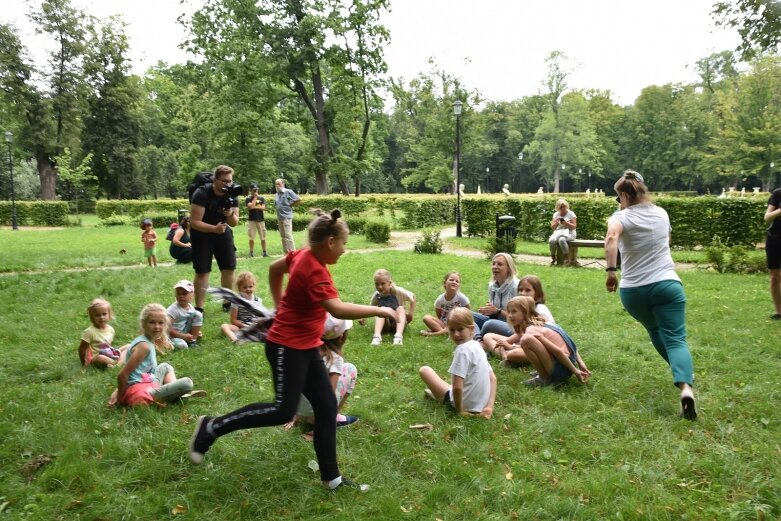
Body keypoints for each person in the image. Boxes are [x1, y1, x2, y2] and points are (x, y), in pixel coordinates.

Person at [189, 209, 397, 491]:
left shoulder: (303, 254)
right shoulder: (315, 271)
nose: (345, 251)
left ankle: (332, 479)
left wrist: (279, 303)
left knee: (325, 408)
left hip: (307, 345)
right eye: (344, 244)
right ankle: (212, 427)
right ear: (331, 241)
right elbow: (335, 308)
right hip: (287, 347)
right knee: (281, 411)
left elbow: (275, 269)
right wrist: (379, 309)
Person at [605, 169, 697, 420]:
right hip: (667, 284)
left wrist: (611, 271)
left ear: (624, 195)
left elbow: (612, 239)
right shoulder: (661, 213)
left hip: (634, 290)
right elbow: (665, 241)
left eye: (618, 198)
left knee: (656, 331)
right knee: (676, 338)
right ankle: (685, 385)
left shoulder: (620, 217)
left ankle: (683, 375)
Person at [111, 303, 204, 407]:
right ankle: (173, 394)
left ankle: (173, 393)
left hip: (147, 383)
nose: (156, 327)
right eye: (152, 322)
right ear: (143, 324)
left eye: (161, 323)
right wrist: (120, 398)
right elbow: (122, 375)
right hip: (139, 393)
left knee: (165, 366)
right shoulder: (143, 346)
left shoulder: (148, 341)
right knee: (187, 383)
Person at [284, 314, 359, 439]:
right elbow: (327, 396)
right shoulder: (335, 359)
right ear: (341, 337)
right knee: (350, 368)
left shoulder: (304, 351)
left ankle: (300, 417)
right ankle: (320, 428)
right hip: (316, 412)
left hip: (297, 408)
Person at [419, 308, 496, 418]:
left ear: (471, 329)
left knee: (424, 370)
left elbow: (457, 388)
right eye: (452, 330)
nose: (456, 334)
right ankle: (438, 393)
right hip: (481, 404)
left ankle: (439, 396)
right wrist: (489, 406)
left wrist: (460, 411)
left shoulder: (462, 351)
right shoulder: (477, 346)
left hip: (465, 405)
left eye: (460, 329)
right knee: (447, 385)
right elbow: (493, 378)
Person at [507, 296, 591, 387]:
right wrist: (581, 364)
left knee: (525, 340)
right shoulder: (544, 322)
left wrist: (576, 371)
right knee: (528, 340)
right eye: (509, 312)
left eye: (514, 311)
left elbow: (557, 351)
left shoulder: (531, 330)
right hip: (569, 364)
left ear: (525, 312)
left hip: (562, 370)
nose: (510, 315)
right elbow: (570, 343)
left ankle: (544, 378)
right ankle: (545, 373)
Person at [190, 165, 240, 315]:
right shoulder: (202, 193)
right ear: (215, 179)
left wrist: (230, 213)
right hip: (202, 232)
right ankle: (199, 308)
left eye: (229, 181)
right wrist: (213, 229)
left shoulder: (232, 193)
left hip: (223, 230)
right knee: (203, 270)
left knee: (228, 267)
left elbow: (234, 223)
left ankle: (227, 302)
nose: (227, 184)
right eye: (224, 181)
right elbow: (194, 222)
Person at [481, 275, 556, 363]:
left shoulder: (540, 310)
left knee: (514, 353)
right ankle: (506, 356)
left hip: (541, 349)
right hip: (523, 343)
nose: (523, 293)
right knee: (488, 336)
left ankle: (507, 355)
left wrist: (509, 346)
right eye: (520, 290)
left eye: (528, 290)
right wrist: (505, 342)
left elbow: (536, 341)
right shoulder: (523, 308)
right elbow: (520, 334)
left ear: (537, 293)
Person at [471, 253, 520, 340]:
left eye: (500, 264)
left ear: (508, 268)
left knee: (489, 324)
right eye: (493, 263)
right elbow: (493, 311)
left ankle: (478, 341)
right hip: (495, 320)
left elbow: (519, 318)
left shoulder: (516, 286)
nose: (495, 266)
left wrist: (498, 312)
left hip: (513, 326)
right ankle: (479, 338)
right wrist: (488, 310)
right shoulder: (492, 285)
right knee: (466, 314)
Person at [368, 268, 416, 346]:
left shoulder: (398, 291)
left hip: (398, 322)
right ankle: (376, 337)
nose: (380, 287)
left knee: (400, 308)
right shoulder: (377, 295)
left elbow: (413, 296)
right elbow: (370, 308)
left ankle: (398, 337)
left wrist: (410, 314)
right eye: (377, 284)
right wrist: (362, 318)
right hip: (385, 324)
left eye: (383, 284)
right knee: (381, 310)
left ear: (390, 283)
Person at [78, 298, 124, 369]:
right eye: (97, 315)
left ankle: (115, 362)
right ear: (92, 317)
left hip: (109, 354)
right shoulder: (89, 332)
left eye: (104, 314)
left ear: (109, 315)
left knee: (128, 346)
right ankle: (118, 363)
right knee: (101, 358)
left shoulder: (111, 329)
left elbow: (108, 346)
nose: (101, 317)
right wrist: (84, 364)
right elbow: (82, 349)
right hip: (96, 358)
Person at [420, 271, 470, 336]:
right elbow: (438, 312)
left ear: (459, 285)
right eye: (451, 280)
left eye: (457, 281)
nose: (454, 282)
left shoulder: (461, 297)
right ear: (444, 283)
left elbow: (468, 311)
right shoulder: (440, 299)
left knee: (451, 327)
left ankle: (432, 334)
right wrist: (442, 322)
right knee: (426, 318)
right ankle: (445, 332)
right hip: (445, 323)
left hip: (457, 324)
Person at [220, 271, 262, 343]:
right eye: (244, 287)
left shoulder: (258, 300)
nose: (248, 289)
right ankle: (235, 339)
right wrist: (244, 326)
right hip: (240, 327)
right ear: (239, 288)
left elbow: (260, 317)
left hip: (254, 326)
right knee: (224, 326)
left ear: (254, 286)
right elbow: (233, 320)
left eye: (250, 286)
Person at [167, 280, 203, 349]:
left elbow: (190, 321)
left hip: (183, 330)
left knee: (198, 314)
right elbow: (167, 329)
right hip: (172, 336)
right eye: (178, 293)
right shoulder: (173, 310)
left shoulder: (190, 307)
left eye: (184, 294)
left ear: (192, 295)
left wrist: (195, 331)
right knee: (183, 346)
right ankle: (169, 343)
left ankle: (192, 340)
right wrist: (183, 336)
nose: (181, 296)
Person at [764, 186, 781, 319]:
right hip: (775, 238)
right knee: (775, 276)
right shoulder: (778, 193)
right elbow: (767, 217)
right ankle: (779, 312)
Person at [274, 178, 300, 254]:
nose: (277, 186)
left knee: (288, 235)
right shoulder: (276, 194)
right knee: (283, 236)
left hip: (286, 217)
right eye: (276, 184)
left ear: (283, 184)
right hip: (279, 217)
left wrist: (291, 205)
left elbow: (298, 199)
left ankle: (293, 253)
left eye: (279, 184)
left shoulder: (288, 191)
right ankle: (286, 253)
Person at [548, 198, 577, 266]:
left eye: (564, 206)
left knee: (561, 239)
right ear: (557, 207)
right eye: (560, 207)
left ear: (566, 206)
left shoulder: (571, 214)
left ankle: (567, 258)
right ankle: (553, 258)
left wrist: (566, 223)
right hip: (558, 232)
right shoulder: (556, 214)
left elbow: (574, 226)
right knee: (551, 241)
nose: (562, 208)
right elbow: (553, 228)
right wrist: (557, 223)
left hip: (570, 233)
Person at [246, 182, 268, 258]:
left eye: (256, 190)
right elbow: (250, 207)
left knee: (263, 237)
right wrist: (255, 198)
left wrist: (254, 206)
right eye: (254, 190)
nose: (256, 191)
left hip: (261, 220)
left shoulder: (261, 198)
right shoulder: (248, 198)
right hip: (252, 220)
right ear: (250, 190)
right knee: (251, 237)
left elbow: (263, 208)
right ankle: (251, 252)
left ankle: (264, 252)